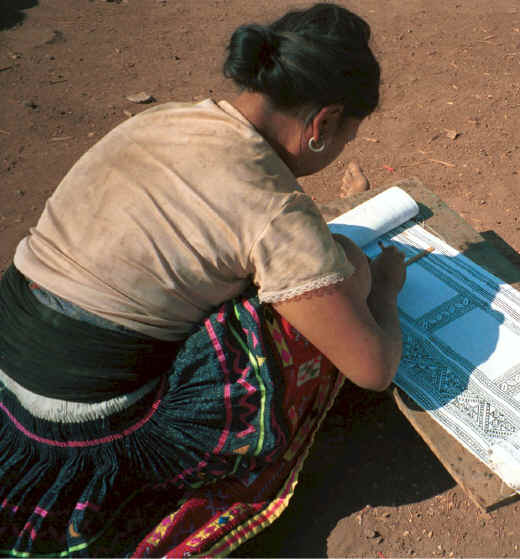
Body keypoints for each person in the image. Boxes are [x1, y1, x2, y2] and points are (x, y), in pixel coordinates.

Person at [0, 3, 406, 556]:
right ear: (323, 124)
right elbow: (374, 369)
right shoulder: (274, 208)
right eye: (344, 139)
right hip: (83, 425)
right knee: (330, 289)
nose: (336, 152)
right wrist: (383, 287)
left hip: (11, 369)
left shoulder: (164, 118)